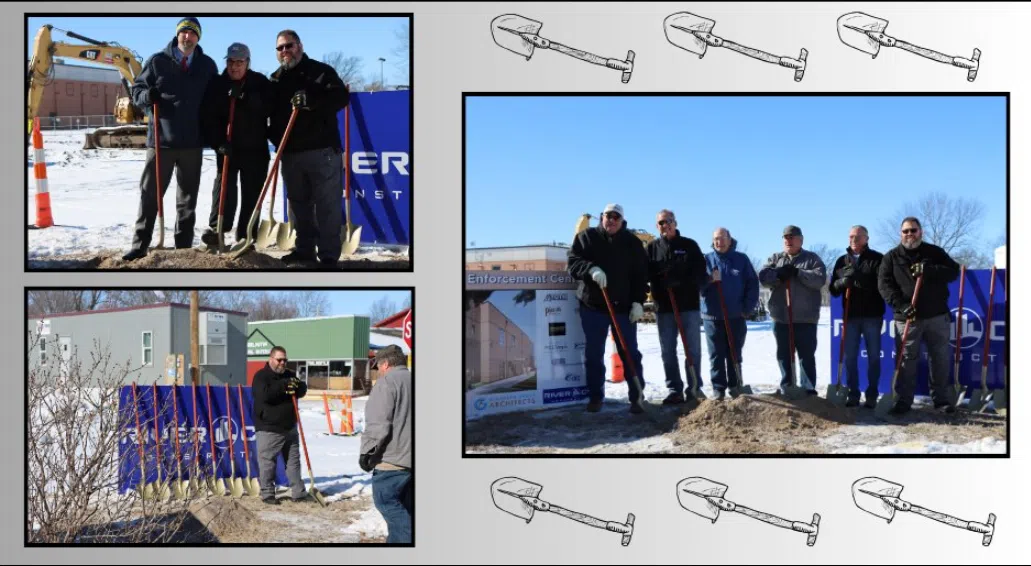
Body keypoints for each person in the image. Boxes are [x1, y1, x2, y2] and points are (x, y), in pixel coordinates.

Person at [124, 17, 218, 261]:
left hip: (192, 143)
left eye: (192, 33)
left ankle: (183, 248)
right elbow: (136, 91)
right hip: (161, 142)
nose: (187, 37)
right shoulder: (157, 61)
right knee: (149, 195)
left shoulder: (207, 65)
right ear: (177, 35)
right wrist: (147, 96)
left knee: (187, 200)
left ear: (199, 37)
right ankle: (140, 245)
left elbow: (215, 101)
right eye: (183, 33)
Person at [267, 30, 350, 268]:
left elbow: (341, 98)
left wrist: (313, 102)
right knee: (298, 205)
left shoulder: (321, 71)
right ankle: (304, 250)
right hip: (291, 153)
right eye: (280, 48)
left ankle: (328, 256)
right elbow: (271, 116)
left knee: (327, 206)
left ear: (300, 46)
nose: (285, 51)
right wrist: (274, 138)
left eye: (289, 46)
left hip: (322, 150)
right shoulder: (276, 79)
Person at [568, 204, 649, 414]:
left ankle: (637, 396)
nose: (611, 220)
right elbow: (573, 262)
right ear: (601, 217)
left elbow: (641, 275)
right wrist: (590, 269)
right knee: (594, 353)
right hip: (593, 306)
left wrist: (638, 302)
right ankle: (596, 396)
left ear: (622, 221)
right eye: (607, 216)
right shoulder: (586, 237)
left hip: (623, 308)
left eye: (616, 217)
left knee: (630, 352)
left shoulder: (632, 243)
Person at [877, 217, 961, 415]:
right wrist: (901, 305)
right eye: (905, 231)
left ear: (920, 232)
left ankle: (941, 400)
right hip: (907, 318)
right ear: (900, 233)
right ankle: (904, 400)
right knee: (906, 360)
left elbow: (953, 271)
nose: (909, 234)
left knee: (939, 358)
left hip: (936, 315)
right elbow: (884, 285)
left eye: (913, 230)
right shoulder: (891, 257)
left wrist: (930, 270)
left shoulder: (934, 253)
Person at [200, 42, 272, 248]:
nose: (234, 66)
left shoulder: (260, 82)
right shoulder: (217, 84)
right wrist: (218, 143)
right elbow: (208, 118)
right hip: (228, 148)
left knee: (252, 193)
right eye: (231, 62)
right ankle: (218, 230)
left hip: (255, 149)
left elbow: (269, 108)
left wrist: (245, 97)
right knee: (223, 189)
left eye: (239, 62)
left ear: (247, 63)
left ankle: (246, 235)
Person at [646, 209, 708, 404]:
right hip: (664, 308)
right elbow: (645, 274)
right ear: (657, 226)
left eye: (669, 221)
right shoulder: (652, 248)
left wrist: (680, 280)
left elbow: (700, 273)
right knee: (667, 351)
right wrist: (659, 280)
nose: (666, 226)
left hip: (688, 306)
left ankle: (695, 387)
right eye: (661, 223)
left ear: (675, 222)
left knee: (693, 349)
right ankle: (674, 390)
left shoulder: (689, 245)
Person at [758, 225, 827, 395]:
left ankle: (808, 388)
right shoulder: (775, 258)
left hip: (806, 318)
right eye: (785, 238)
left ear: (801, 240)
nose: (788, 240)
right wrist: (779, 274)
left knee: (806, 355)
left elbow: (819, 279)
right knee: (784, 354)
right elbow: (763, 277)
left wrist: (798, 273)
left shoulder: (812, 259)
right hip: (781, 318)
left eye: (792, 237)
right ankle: (788, 386)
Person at [359, 345, 413, 544]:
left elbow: (378, 425)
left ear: (386, 364)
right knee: (406, 508)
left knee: (388, 505)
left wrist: (366, 453)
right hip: (411, 460)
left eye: (379, 366)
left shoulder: (387, 383)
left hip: (391, 461)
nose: (378, 371)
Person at [828, 225, 886, 408]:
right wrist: (841, 282)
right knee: (850, 357)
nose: (853, 240)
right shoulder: (841, 261)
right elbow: (833, 290)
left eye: (858, 237)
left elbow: (882, 286)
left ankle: (872, 394)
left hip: (872, 316)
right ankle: (853, 393)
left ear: (866, 238)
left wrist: (858, 277)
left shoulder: (877, 259)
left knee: (874, 357)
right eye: (851, 236)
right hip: (850, 317)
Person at [701, 227, 760, 399]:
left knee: (734, 353)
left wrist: (746, 309)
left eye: (722, 238)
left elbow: (752, 285)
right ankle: (718, 389)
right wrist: (710, 279)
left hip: (735, 316)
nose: (719, 242)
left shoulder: (741, 260)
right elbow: (697, 285)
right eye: (716, 239)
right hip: (712, 317)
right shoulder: (706, 260)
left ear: (729, 239)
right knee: (716, 355)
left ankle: (736, 386)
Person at [251, 346, 309, 505]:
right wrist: (284, 386)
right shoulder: (261, 376)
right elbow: (264, 395)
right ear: (271, 359)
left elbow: (302, 390)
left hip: (289, 426)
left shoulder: (290, 375)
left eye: (285, 360)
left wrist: (298, 386)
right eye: (279, 360)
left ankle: (299, 493)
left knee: (293, 462)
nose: (282, 363)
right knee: (268, 462)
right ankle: (268, 494)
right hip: (269, 427)